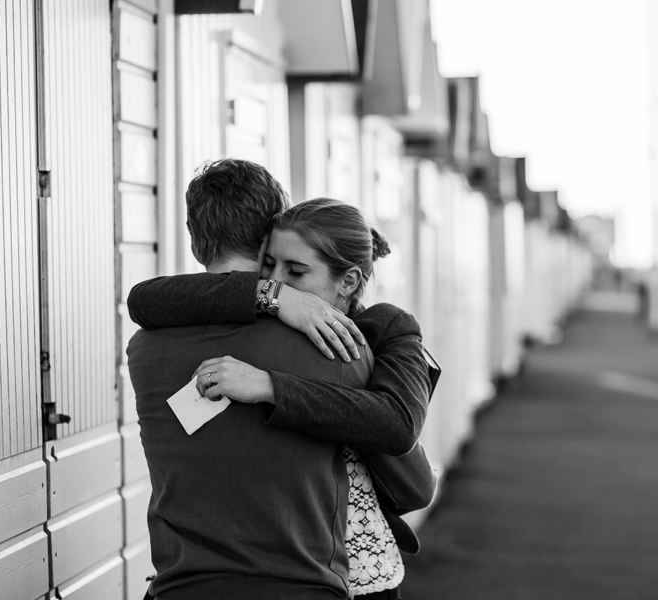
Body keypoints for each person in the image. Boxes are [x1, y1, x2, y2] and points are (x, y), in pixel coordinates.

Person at [127, 159, 435, 599]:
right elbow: (417, 482)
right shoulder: (338, 347)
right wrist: (275, 297)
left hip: (182, 585)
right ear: (268, 234)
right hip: (305, 584)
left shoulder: (145, 346)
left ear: (195, 241)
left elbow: (143, 299)